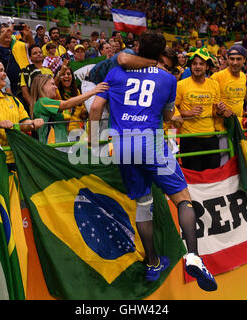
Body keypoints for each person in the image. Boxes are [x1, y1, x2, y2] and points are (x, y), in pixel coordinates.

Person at [88, 31, 217, 291]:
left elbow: (94, 108)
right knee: (183, 199)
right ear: (160, 54)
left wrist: (92, 141)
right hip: (151, 143)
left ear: (138, 47)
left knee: (144, 204)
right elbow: (169, 115)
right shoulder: (169, 80)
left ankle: (152, 262)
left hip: (122, 147)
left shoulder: (115, 73)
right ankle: (193, 256)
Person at [0, 57, 44, 169]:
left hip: (17, 158)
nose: (5, 75)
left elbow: (24, 123)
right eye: (0, 70)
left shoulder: (12, 99)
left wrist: (33, 123)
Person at [30, 74, 108, 146]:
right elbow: (67, 104)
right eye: (52, 84)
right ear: (42, 86)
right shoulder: (42, 102)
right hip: (53, 148)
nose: (56, 87)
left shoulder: (47, 103)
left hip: (60, 146)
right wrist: (93, 91)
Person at [176, 48, 221, 171]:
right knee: (194, 177)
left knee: (213, 175)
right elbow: (169, 111)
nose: (197, 66)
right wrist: (187, 113)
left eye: (201, 64)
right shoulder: (181, 85)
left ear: (207, 67)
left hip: (210, 138)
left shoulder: (214, 85)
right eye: (194, 63)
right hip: (189, 139)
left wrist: (220, 111)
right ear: (190, 66)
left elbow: (214, 111)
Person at [212, 45, 247, 166]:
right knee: (225, 164)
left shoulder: (244, 78)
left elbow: (238, 101)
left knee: (238, 163)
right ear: (227, 59)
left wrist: (244, 113)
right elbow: (210, 103)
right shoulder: (217, 77)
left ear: (244, 60)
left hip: (237, 128)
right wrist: (221, 111)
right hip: (221, 129)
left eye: (238, 59)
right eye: (232, 59)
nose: (235, 62)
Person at [0, 23, 34, 98]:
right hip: (4, 85)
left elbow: (32, 46)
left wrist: (28, 35)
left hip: (22, 83)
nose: (7, 33)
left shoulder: (18, 45)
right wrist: (5, 34)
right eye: (3, 32)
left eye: (9, 32)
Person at [18, 44, 54, 112]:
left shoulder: (49, 71)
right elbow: (25, 93)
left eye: (40, 52)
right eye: (35, 53)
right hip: (36, 107)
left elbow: (53, 88)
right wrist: (35, 107)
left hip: (50, 104)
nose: (38, 54)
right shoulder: (26, 71)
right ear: (30, 57)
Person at [56, 65, 88, 140]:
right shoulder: (55, 92)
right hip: (63, 133)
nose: (66, 76)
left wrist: (85, 111)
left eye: (68, 74)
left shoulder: (77, 92)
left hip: (78, 131)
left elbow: (82, 113)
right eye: (63, 74)